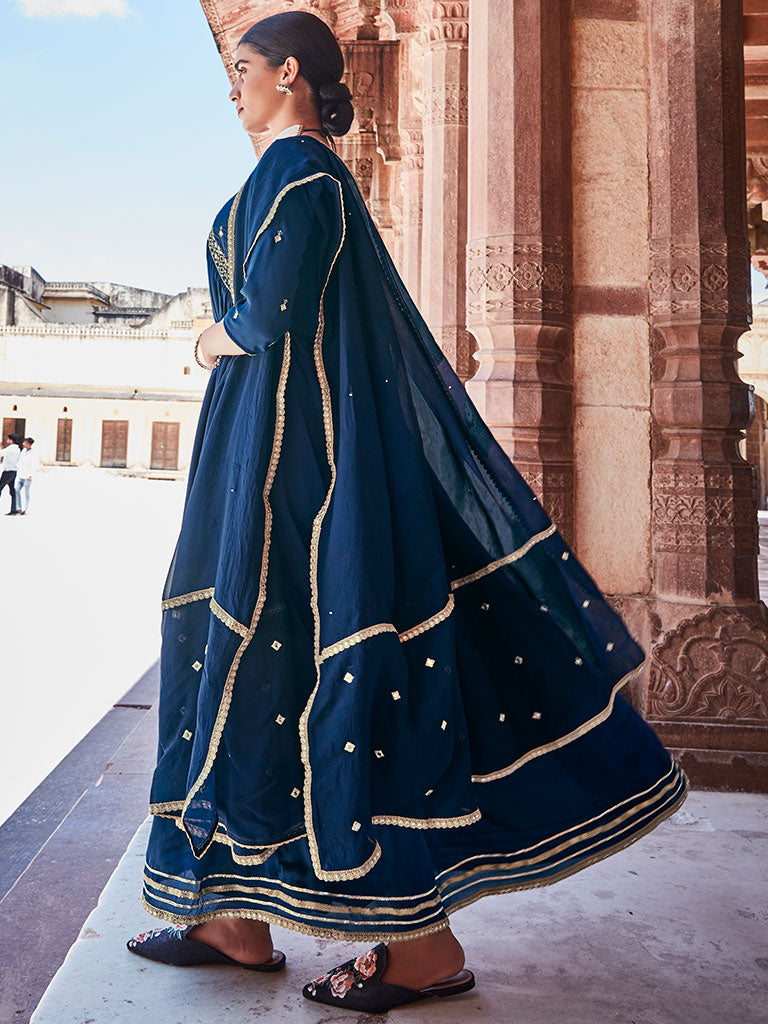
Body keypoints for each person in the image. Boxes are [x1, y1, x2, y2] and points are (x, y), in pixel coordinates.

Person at [127, 11, 687, 1013]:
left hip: (297, 476)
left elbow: (269, 316)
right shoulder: (302, 178)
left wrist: (208, 340)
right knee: (266, 670)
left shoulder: (302, 178)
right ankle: (234, 915)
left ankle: (419, 947)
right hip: (273, 460)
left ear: (289, 72)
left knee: (328, 673)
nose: (232, 84)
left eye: (244, 67)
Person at [14, 437, 38, 515]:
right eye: (24, 442)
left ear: (29, 444)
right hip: (21, 475)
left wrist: (30, 476)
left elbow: (34, 465)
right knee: (16, 490)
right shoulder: (23, 451)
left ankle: (26, 509)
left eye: (25, 443)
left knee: (26, 493)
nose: (23, 444)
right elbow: (20, 462)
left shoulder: (33, 453)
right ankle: (18, 508)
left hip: (27, 477)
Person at [0, 433, 21, 515]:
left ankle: (14, 510)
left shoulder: (10, 448)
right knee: (12, 491)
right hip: (13, 471)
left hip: (7, 472)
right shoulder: (17, 449)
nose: (7, 440)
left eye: (8, 439)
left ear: (11, 440)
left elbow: (1, 453)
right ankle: (13, 509)